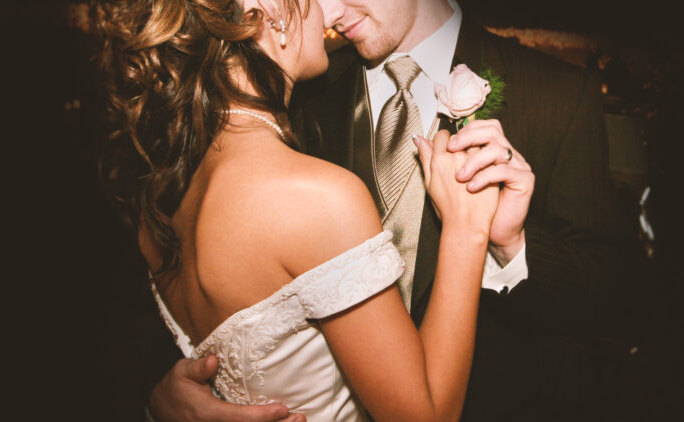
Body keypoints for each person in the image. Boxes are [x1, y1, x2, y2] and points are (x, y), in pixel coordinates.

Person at [148, 0, 620, 421]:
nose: (329, 12)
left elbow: (608, 301)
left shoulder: (560, 93)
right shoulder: (298, 93)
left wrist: (510, 245)